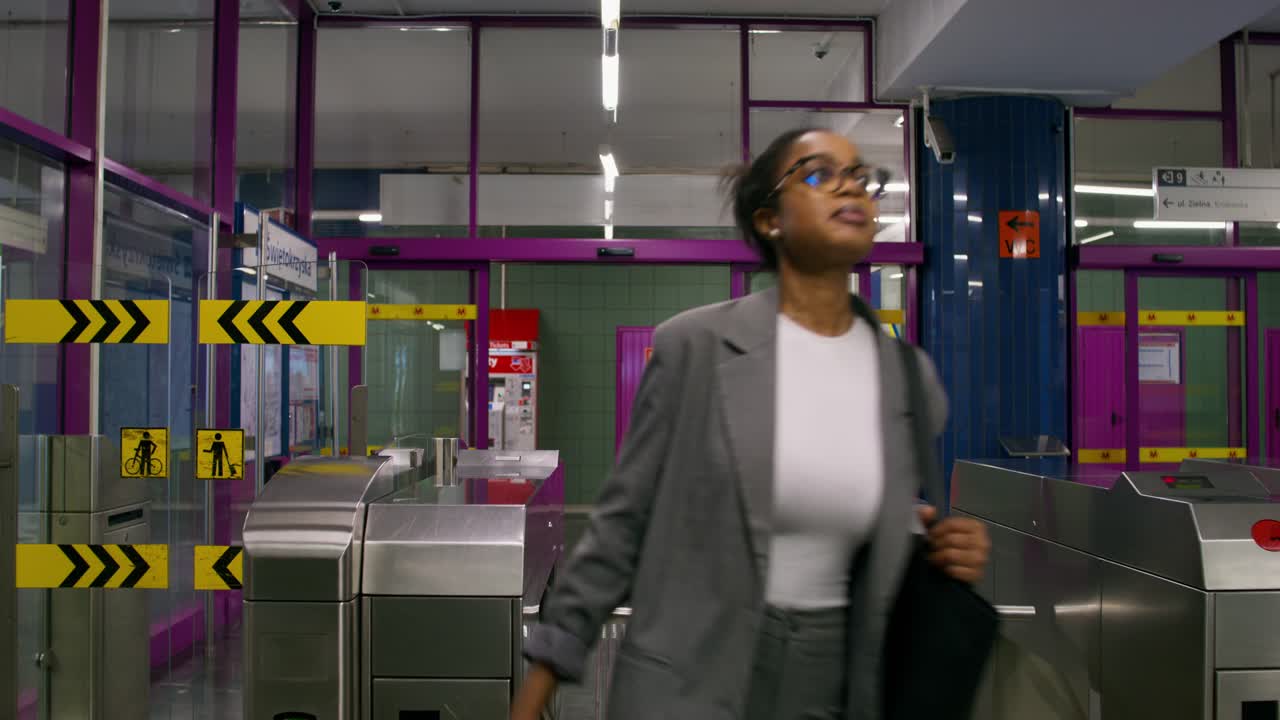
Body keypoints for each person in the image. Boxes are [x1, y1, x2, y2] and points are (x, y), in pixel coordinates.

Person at [514, 128, 991, 720]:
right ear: (770, 220)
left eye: (860, 176)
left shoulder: (909, 379)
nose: (850, 186)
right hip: (691, 674)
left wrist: (936, 546)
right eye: (818, 173)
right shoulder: (696, 348)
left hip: (837, 680)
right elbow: (623, 522)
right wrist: (542, 679)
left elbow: (868, 529)